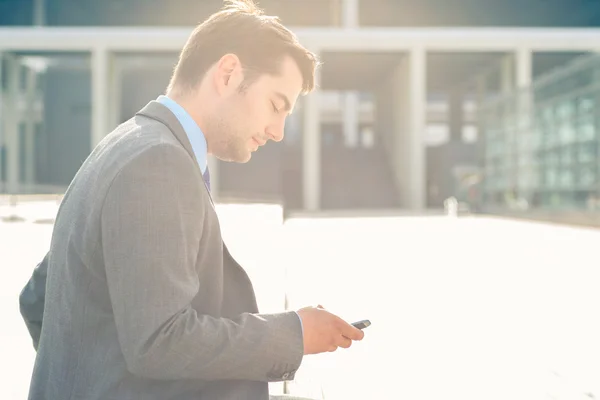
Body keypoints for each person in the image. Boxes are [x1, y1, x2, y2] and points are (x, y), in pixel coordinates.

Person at [18, 1, 365, 399]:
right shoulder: (157, 162)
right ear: (229, 73)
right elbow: (159, 342)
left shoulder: (123, 145)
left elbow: (38, 298)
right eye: (275, 105)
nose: (278, 131)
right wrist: (295, 333)